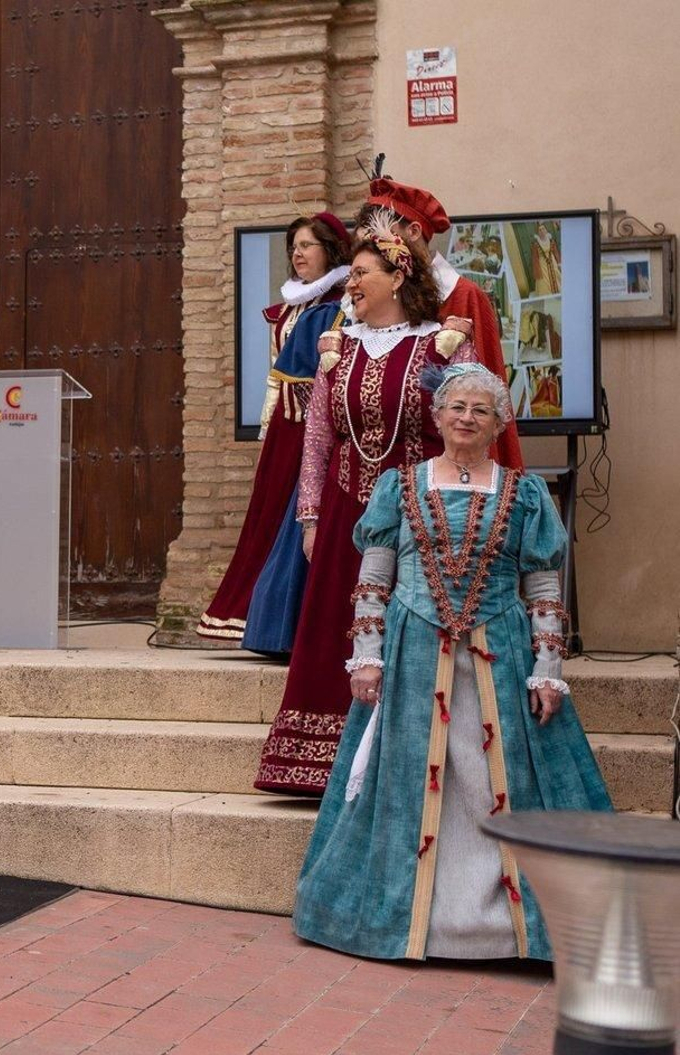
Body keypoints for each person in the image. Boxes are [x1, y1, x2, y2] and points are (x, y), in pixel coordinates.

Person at [292, 364, 610, 961]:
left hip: (504, 657)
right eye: (456, 407)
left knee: (506, 780)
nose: (467, 417)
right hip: (412, 658)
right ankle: (417, 926)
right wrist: (367, 658)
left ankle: (507, 930)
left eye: (481, 410)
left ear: (498, 422)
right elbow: (374, 580)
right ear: (437, 418)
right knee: (412, 782)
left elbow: (543, 587)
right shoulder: (398, 487)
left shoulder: (525, 493)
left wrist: (549, 670)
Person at [253, 212, 477, 796]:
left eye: (360, 273)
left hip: (418, 515)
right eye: (349, 273)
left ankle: (408, 763)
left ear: (398, 276)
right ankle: (318, 764)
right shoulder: (337, 347)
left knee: (410, 636)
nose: (349, 283)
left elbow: (465, 429)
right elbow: (319, 439)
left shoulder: (442, 343)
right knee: (334, 633)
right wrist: (309, 515)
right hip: (345, 512)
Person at [198, 213, 351, 646]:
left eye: (307, 245)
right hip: (285, 430)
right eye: (294, 247)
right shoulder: (293, 304)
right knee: (268, 519)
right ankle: (255, 618)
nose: (298, 254)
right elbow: (275, 378)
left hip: (315, 430)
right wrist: (269, 430)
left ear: (331, 250)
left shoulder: (341, 303)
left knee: (303, 518)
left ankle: (291, 626)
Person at [361, 175, 525, 470]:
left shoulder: (462, 296)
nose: (374, 245)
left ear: (412, 231)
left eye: (382, 233)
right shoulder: (366, 300)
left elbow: (481, 397)